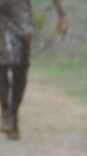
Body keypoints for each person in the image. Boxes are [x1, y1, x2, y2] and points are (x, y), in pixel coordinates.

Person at [0, 0, 64, 142]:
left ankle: (13, 115)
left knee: (21, 66)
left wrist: (61, 14)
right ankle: (6, 113)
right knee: (2, 62)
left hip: (19, 9)